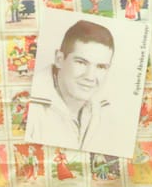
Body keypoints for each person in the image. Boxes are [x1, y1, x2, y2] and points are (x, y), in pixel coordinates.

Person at [28, 19, 114, 151]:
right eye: (81, 62)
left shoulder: (107, 108)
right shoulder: (29, 108)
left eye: (101, 67)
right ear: (59, 59)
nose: (90, 77)